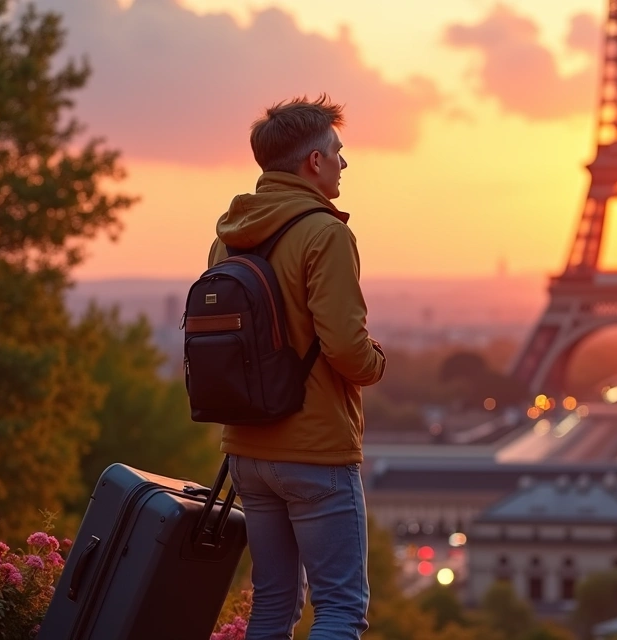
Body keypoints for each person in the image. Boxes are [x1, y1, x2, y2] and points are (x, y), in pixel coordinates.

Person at [207, 95, 386, 639]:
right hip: (314, 451)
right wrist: (377, 363)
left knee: (273, 604)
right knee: (339, 610)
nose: (343, 163)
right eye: (337, 151)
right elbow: (346, 349)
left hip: (248, 449)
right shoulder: (325, 232)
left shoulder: (230, 235)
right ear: (313, 161)